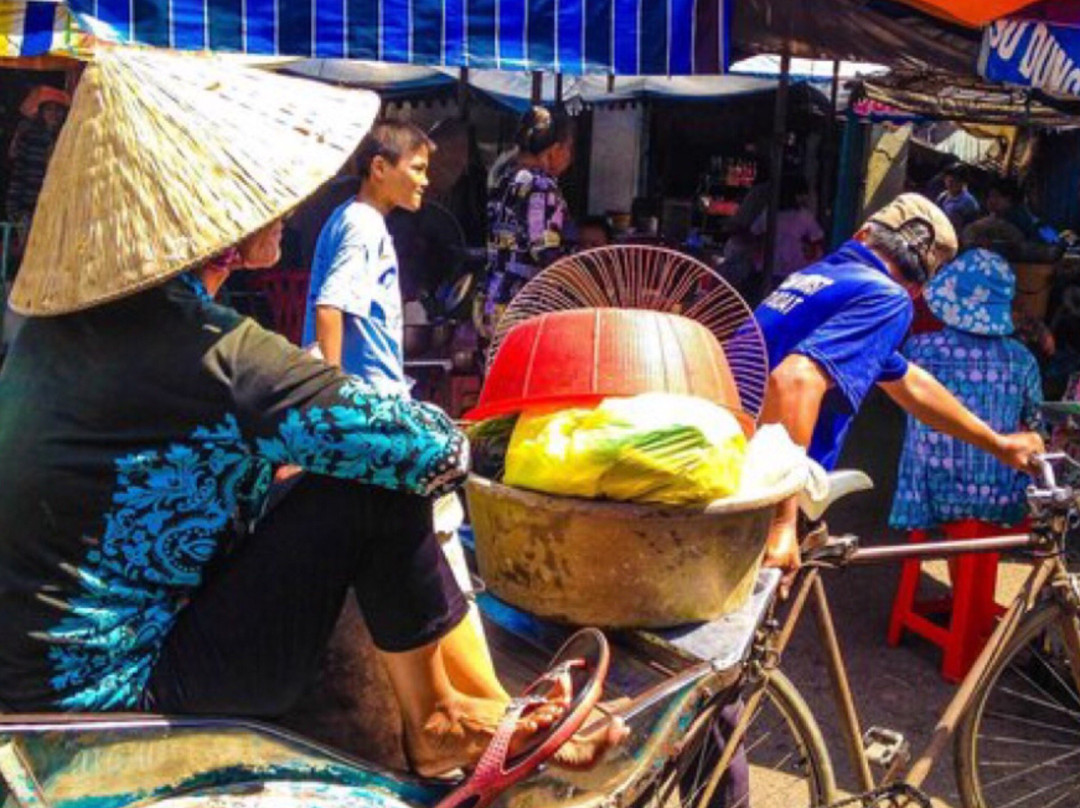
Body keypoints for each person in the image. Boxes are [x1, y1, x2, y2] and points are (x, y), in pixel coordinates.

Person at [0, 50, 615, 778]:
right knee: (375, 485)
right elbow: (427, 451)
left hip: (31, 673)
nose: (287, 205)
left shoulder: (56, 331)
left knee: (325, 478)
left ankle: (472, 704)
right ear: (219, 223)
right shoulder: (212, 356)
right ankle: (440, 720)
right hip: (112, 697)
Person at [753, 193, 1044, 574]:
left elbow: (908, 383)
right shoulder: (887, 297)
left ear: (861, 234)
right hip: (758, 494)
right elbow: (792, 381)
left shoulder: (815, 278)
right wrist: (782, 522)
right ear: (919, 289)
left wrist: (1000, 444)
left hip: (735, 462)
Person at [890, 248, 1042, 530]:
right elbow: (1036, 421)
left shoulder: (917, 349)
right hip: (998, 496)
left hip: (927, 493)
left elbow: (904, 405)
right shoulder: (1022, 358)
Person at [302, 122, 432, 396]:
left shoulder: (354, 216)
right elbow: (329, 307)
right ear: (380, 168)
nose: (425, 181)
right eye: (417, 169)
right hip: (366, 403)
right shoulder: (362, 224)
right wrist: (333, 396)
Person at [481, 106, 574, 336]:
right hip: (522, 311)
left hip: (491, 301)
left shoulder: (503, 179)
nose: (570, 156)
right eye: (569, 148)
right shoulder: (541, 186)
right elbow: (545, 251)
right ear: (554, 151)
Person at [5, 85, 69, 235]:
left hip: (58, 207)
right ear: (42, 113)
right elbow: (19, 173)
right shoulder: (30, 138)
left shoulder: (68, 139)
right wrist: (14, 209)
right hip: (29, 205)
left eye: (58, 110)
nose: (53, 114)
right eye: (49, 109)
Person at [751, 175, 824, 283]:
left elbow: (755, 233)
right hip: (795, 268)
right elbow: (818, 239)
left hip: (770, 267)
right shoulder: (804, 216)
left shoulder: (768, 213)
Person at [935, 164, 980, 234]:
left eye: (956, 181)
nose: (952, 184)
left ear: (963, 182)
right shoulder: (942, 197)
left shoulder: (969, 202)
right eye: (950, 181)